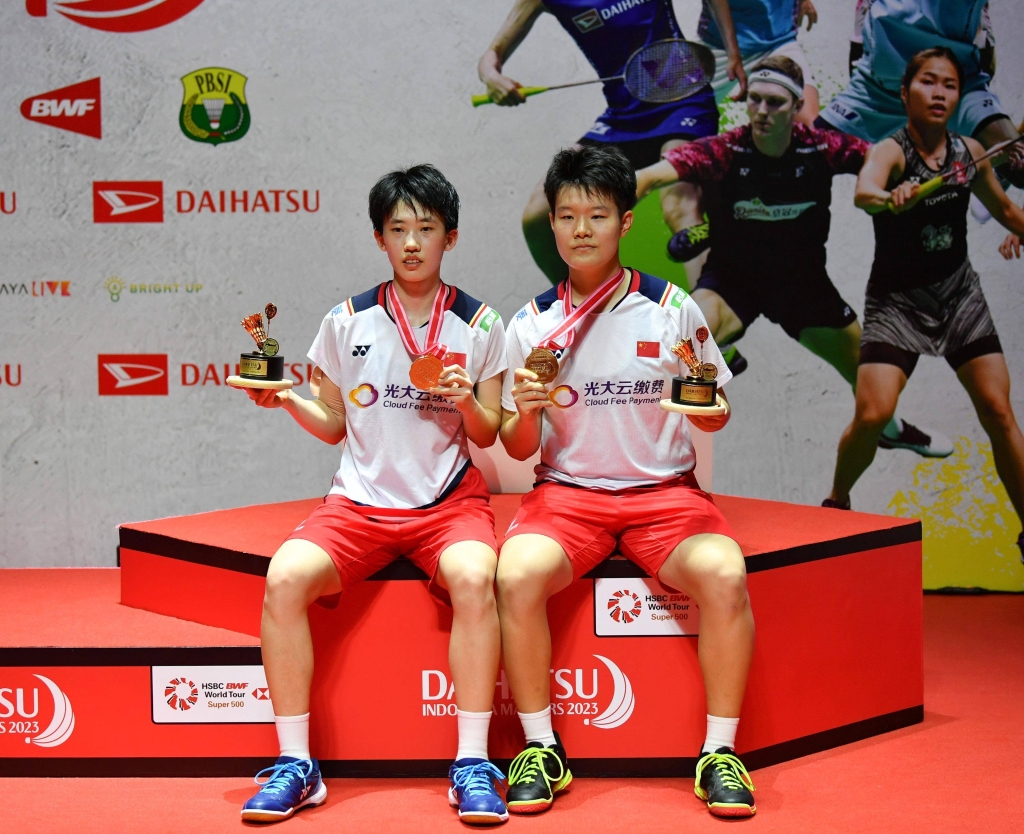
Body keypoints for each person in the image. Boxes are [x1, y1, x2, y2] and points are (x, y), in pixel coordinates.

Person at [237, 165, 510, 825]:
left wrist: (464, 400)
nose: (412, 243)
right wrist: (287, 400)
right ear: (379, 238)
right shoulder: (345, 320)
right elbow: (334, 422)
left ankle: (473, 763)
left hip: (448, 506)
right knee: (283, 579)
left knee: (477, 578)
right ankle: (296, 764)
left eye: (426, 228)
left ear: (451, 237)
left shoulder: (479, 323)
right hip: (357, 506)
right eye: (398, 229)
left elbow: (490, 431)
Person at [497, 144, 758, 818]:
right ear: (552, 225)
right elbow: (518, 444)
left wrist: (708, 407)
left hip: (665, 498)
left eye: (597, 215)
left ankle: (720, 753)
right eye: (567, 216)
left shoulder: (672, 308)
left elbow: (717, 410)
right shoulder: (531, 324)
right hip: (567, 498)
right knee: (515, 576)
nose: (581, 230)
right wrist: (524, 409)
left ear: (626, 222)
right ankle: (539, 747)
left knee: (725, 575)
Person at [635, 56, 951, 459]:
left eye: (775, 103)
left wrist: (908, 182)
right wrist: (612, 197)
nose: (761, 112)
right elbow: (649, 177)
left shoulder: (823, 147)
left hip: (804, 287)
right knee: (683, 332)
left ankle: (891, 431)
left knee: (872, 383)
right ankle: (658, 448)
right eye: (755, 100)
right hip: (733, 282)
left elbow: (888, 162)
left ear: (797, 106)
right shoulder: (723, 151)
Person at [825, 49, 1024, 564]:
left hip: (959, 296)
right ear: (904, 92)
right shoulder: (890, 152)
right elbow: (864, 192)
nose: (939, 93)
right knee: (874, 414)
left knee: (999, 411)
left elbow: (1006, 210)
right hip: (897, 302)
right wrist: (892, 198)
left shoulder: (969, 152)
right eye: (928, 82)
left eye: (950, 85)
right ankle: (837, 503)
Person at [477, 0, 746, 286]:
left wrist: (733, 51)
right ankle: (586, 305)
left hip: (683, 99)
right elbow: (490, 57)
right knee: (540, 214)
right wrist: (492, 78)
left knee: (679, 205)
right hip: (622, 118)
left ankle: (708, 308)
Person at [821, 0, 1022, 190]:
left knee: (1020, 166)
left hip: (958, 87)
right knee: (808, 155)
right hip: (878, 93)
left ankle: (993, 174)